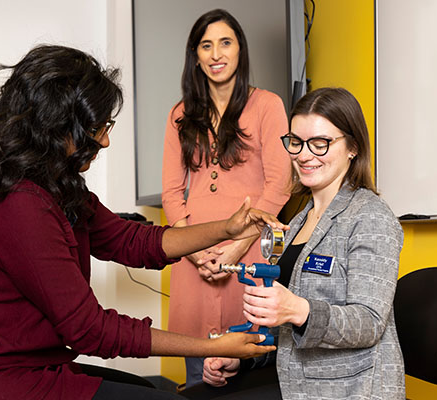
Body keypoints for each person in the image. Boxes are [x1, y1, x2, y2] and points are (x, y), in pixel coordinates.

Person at [0, 44, 283, 400]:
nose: (105, 141)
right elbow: (90, 329)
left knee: (145, 389)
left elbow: (133, 241)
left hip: (38, 363)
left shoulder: (56, 184)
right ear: (57, 125)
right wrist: (212, 345)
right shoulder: (17, 205)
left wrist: (227, 228)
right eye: (96, 128)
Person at [185, 87, 406, 399]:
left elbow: (368, 322)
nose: (303, 154)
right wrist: (243, 357)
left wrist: (298, 309)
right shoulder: (300, 220)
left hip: (352, 390)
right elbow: (289, 328)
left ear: (353, 147)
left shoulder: (370, 217)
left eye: (320, 143)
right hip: (296, 382)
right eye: (296, 142)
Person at [161, 9, 291, 387]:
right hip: (193, 257)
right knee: (196, 372)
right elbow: (171, 191)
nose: (216, 53)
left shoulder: (268, 105)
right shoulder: (179, 115)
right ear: (195, 55)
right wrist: (193, 250)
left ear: (240, 50)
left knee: (247, 362)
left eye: (225, 42)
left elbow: (280, 184)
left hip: (250, 253)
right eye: (206, 45)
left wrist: (238, 247)